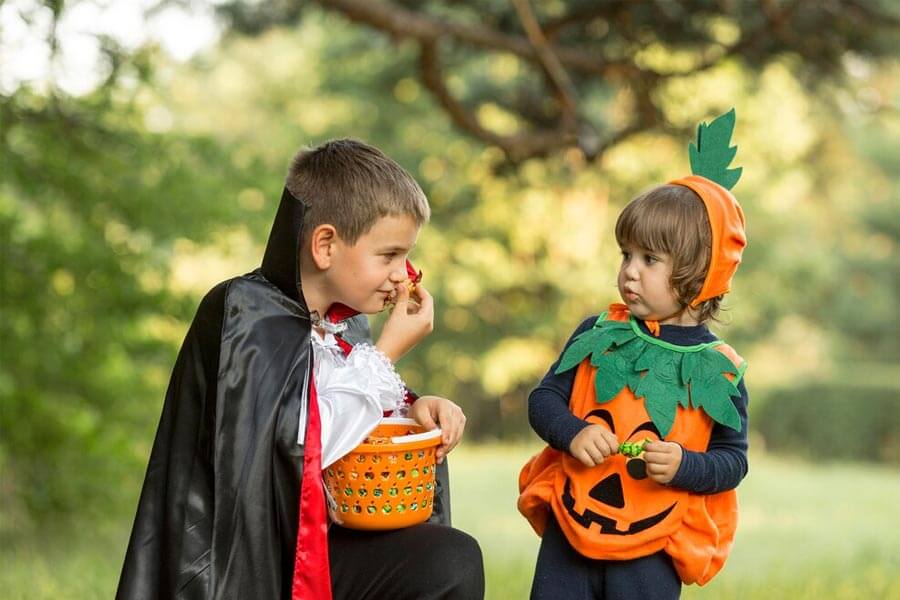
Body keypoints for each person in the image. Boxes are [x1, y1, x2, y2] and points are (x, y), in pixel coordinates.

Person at [117, 138, 484, 599]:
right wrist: (386, 354)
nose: (403, 274)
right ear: (325, 245)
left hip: (323, 544)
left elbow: (354, 444)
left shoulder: (348, 326)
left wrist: (414, 412)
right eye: (389, 255)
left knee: (447, 560)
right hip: (249, 563)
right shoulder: (242, 312)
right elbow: (295, 448)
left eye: (406, 257)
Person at [518, 111, 749, 599]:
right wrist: (573, 432)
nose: (629, 272)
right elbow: (543, 400)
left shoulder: (718, 369)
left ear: (697, 274)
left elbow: (732, 460)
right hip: (572, 528)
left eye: (650, 260)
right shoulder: (599, 333)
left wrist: (686, 465)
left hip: (653, 544)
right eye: (626, 254)